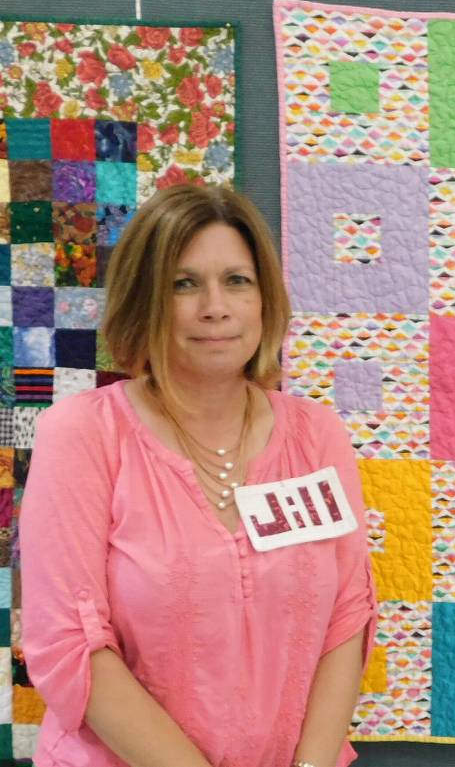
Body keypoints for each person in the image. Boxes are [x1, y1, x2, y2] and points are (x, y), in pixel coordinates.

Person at [19, 184, 378, 767]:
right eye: (183, 284)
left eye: (237, 280)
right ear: (144, 299)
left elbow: (348, 614)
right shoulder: (84, 434)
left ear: (264, 298)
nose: (216, 307)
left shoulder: (316, 435)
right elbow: (70, 641)